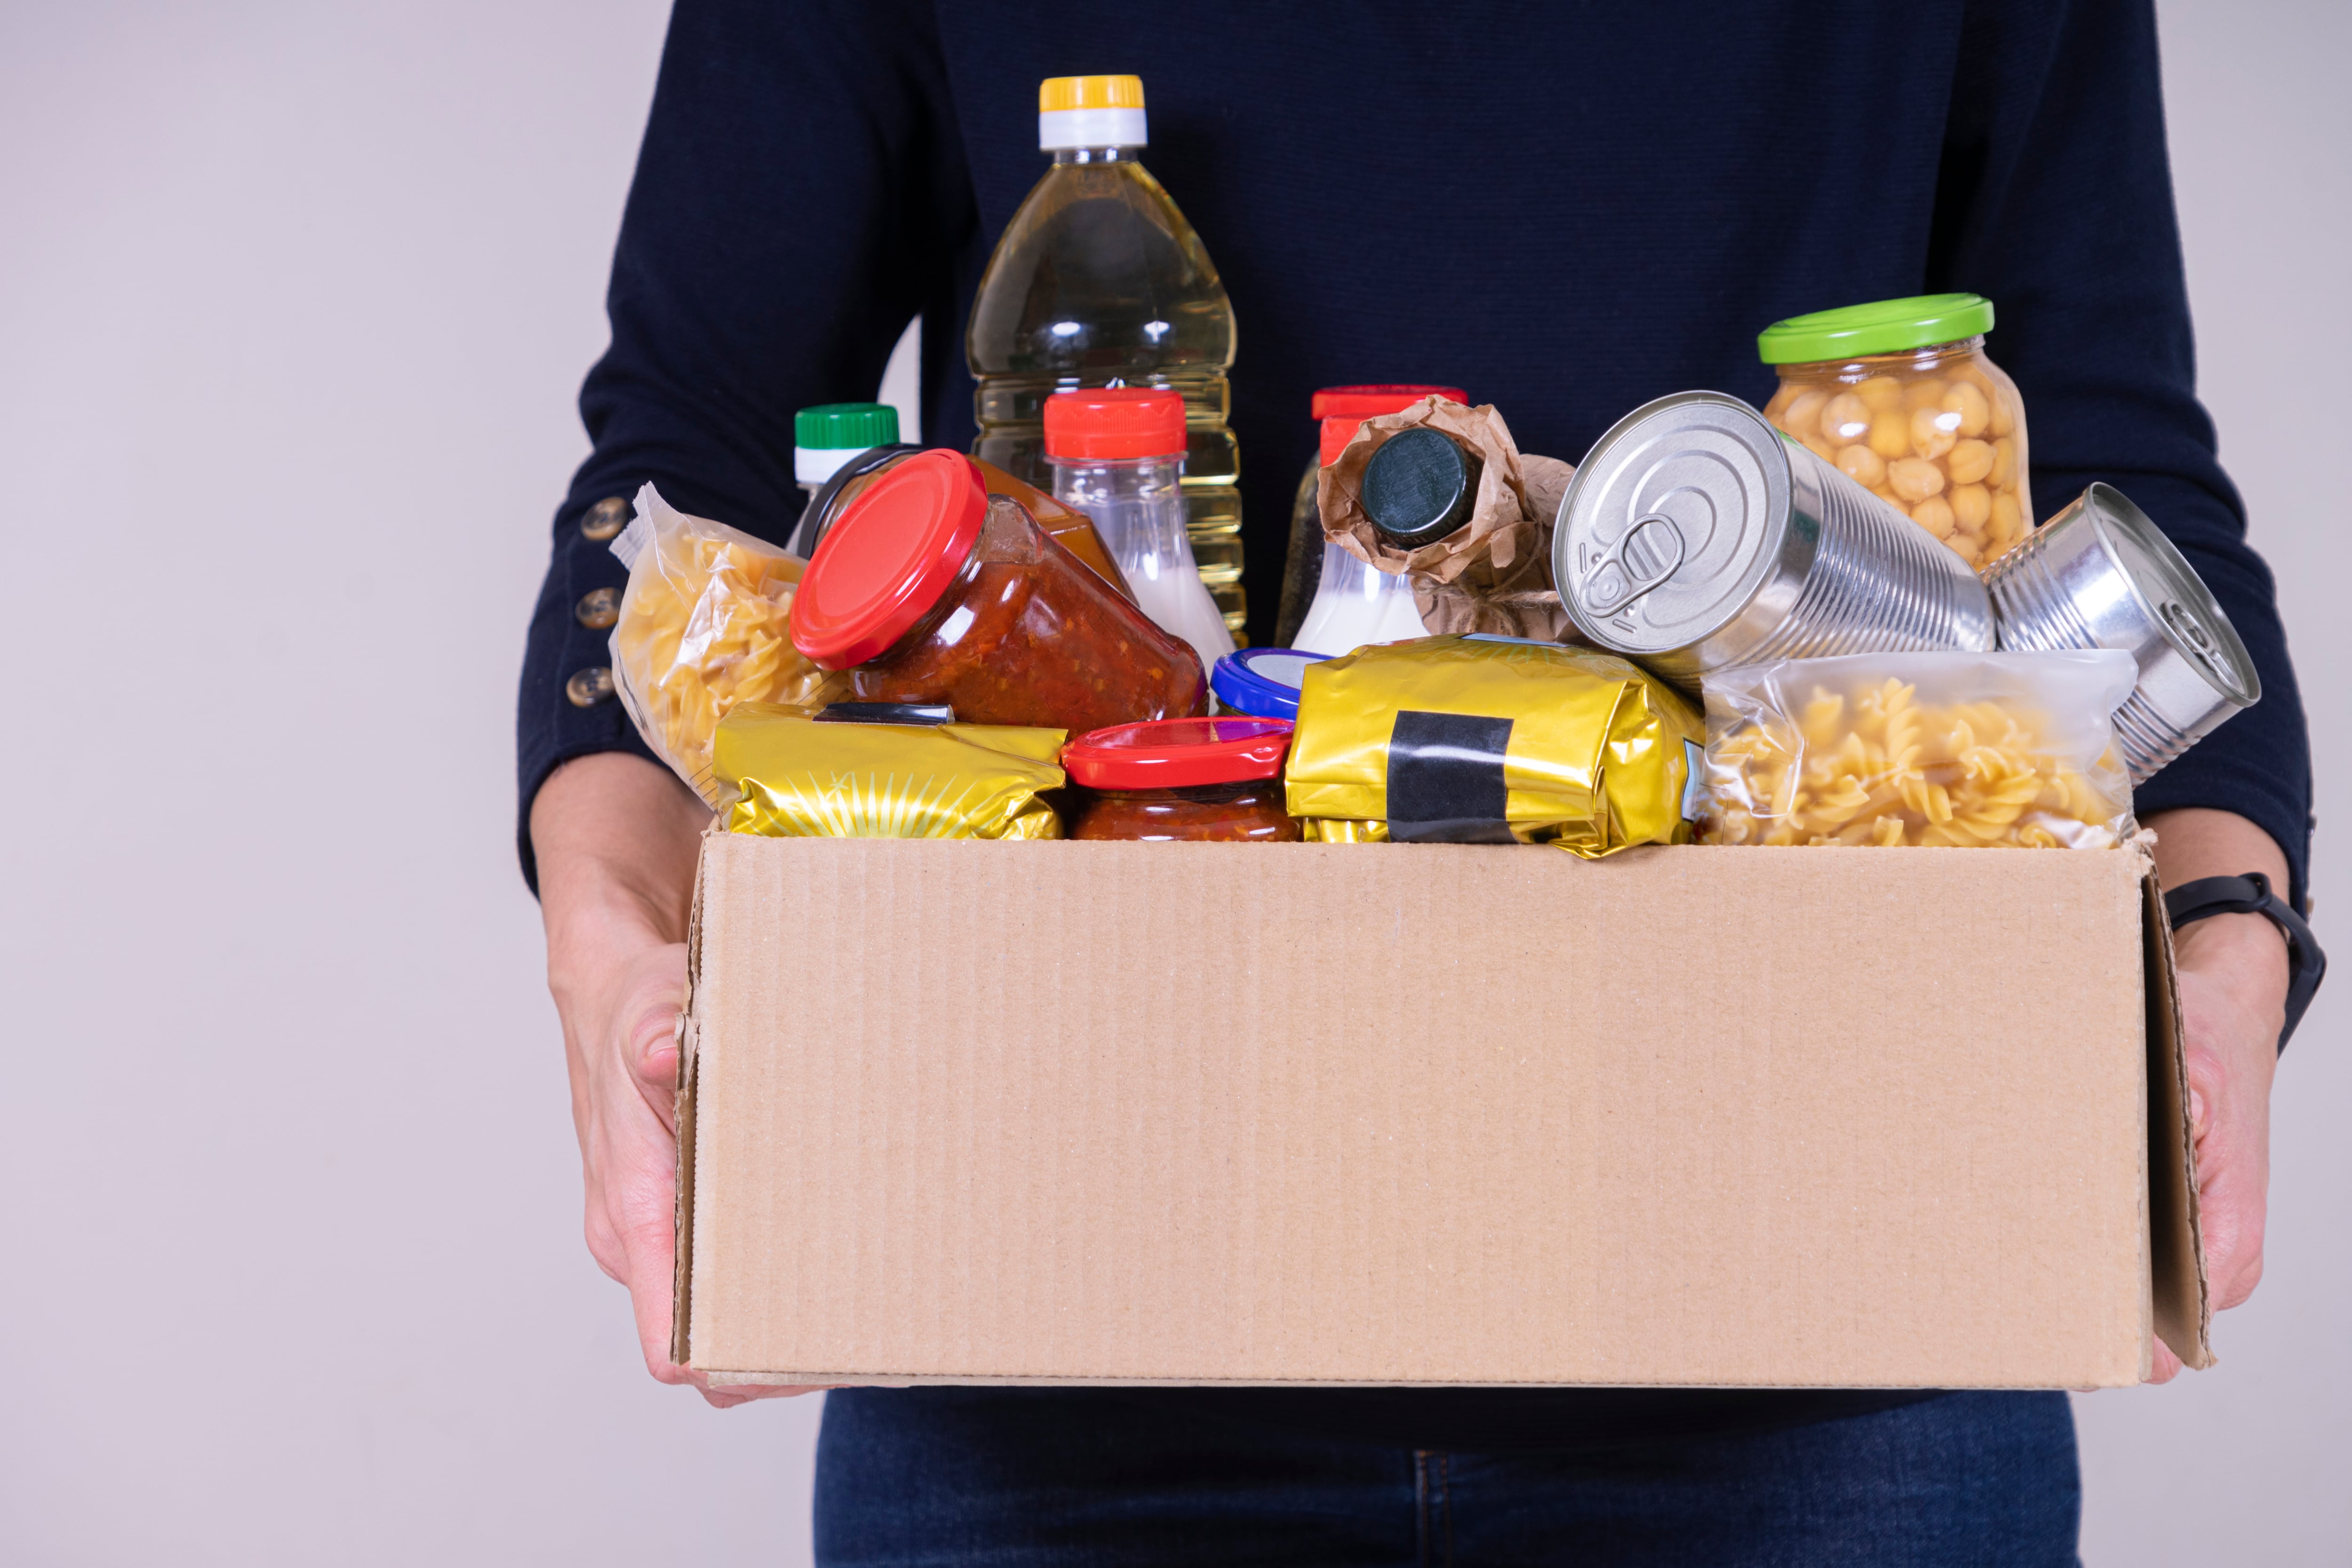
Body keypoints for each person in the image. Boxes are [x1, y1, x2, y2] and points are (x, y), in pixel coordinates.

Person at [518, 2, 2312, 1560]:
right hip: (1061, 1312)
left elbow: (2114, 479)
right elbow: (703, 443)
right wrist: (614, 955)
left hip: (1829, 1328)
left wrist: (2225, 944)